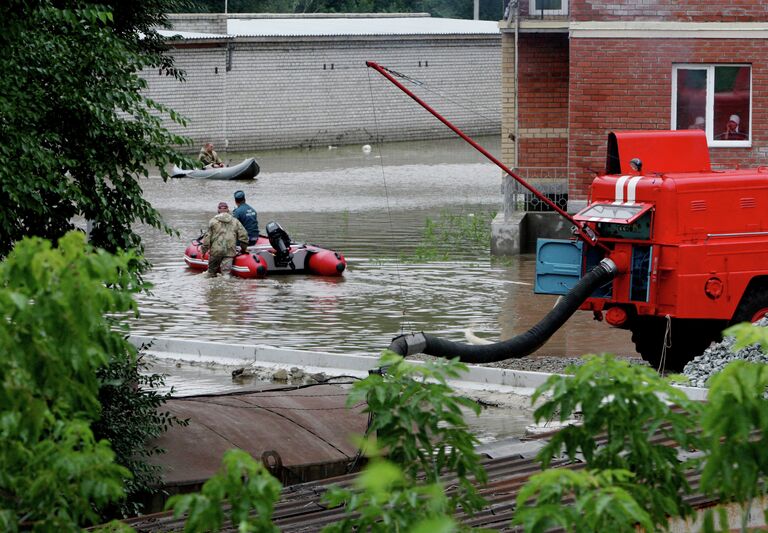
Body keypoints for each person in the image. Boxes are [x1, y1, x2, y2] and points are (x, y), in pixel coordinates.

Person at [200, 201, 248, 277]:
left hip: (215, 251)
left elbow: (206, 239)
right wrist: (244, 249)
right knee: (226, 275)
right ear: (228, 210)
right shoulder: (235, 221)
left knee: (210, 273)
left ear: (218, 210)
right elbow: (244, 236)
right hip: (229, 251)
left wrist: (203, 252)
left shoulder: (212, 221)